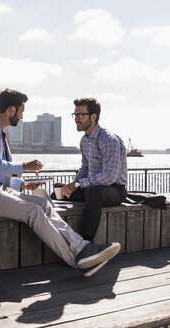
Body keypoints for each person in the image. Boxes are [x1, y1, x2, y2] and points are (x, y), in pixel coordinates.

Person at [0, 89, 120, 277]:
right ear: (11, 110)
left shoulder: (0, 133)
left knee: (44, 203)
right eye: (21, 111)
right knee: (33, 212)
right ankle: (77, 260)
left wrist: (22, 184)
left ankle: (81, 246)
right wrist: (24, 166)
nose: (21, 116)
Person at [61, 97, 128, 241]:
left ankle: (87, 241)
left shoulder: (108, 140)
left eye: (81, 115)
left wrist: (79, 184)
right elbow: (85, 168)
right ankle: (61, 238)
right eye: (75, 115)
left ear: (93, 116)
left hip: (115, 190)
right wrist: (71, 185)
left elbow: (110, 176)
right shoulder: (84, 140)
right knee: (59, 193)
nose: (76, 119)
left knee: (93, 193)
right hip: (92, 187)